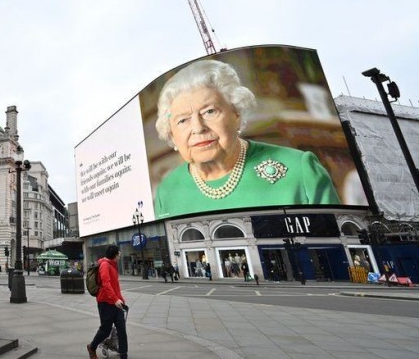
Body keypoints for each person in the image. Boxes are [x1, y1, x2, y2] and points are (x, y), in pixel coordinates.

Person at [152, 59, 341, 219]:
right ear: (172, 134)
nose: (198, 128)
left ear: (237, 113)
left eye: (209, 111)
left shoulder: (300, 168)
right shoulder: (166, 192)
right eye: (183, 120)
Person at [87, 244, 127, 359]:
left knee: (121, 329)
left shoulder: (113, 265)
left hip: (116, 303)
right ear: (115, 255)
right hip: (105, 302)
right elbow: (106, 284)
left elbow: (115, 285)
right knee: (105, 330)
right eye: (119, 253)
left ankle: (124, 355)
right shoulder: (104, 265)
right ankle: (92, 347)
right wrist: (115, 299)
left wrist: (121, 299)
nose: (120, 255)